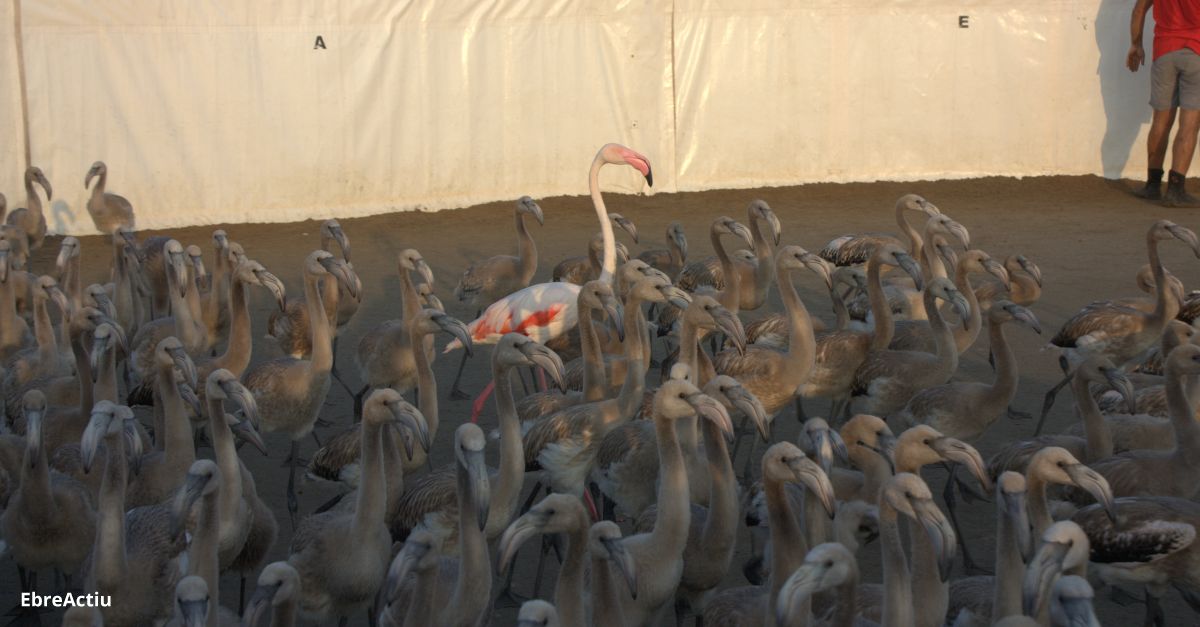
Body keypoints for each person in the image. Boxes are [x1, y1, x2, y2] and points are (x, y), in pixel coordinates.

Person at [1128, 0, 1200, 207]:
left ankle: (1152, 185)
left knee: (1161, 120)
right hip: (1197, 51)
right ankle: (1176, 189)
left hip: (1164, 51)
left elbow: (1139, 9)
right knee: (1190, 124)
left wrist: (1136, 44)